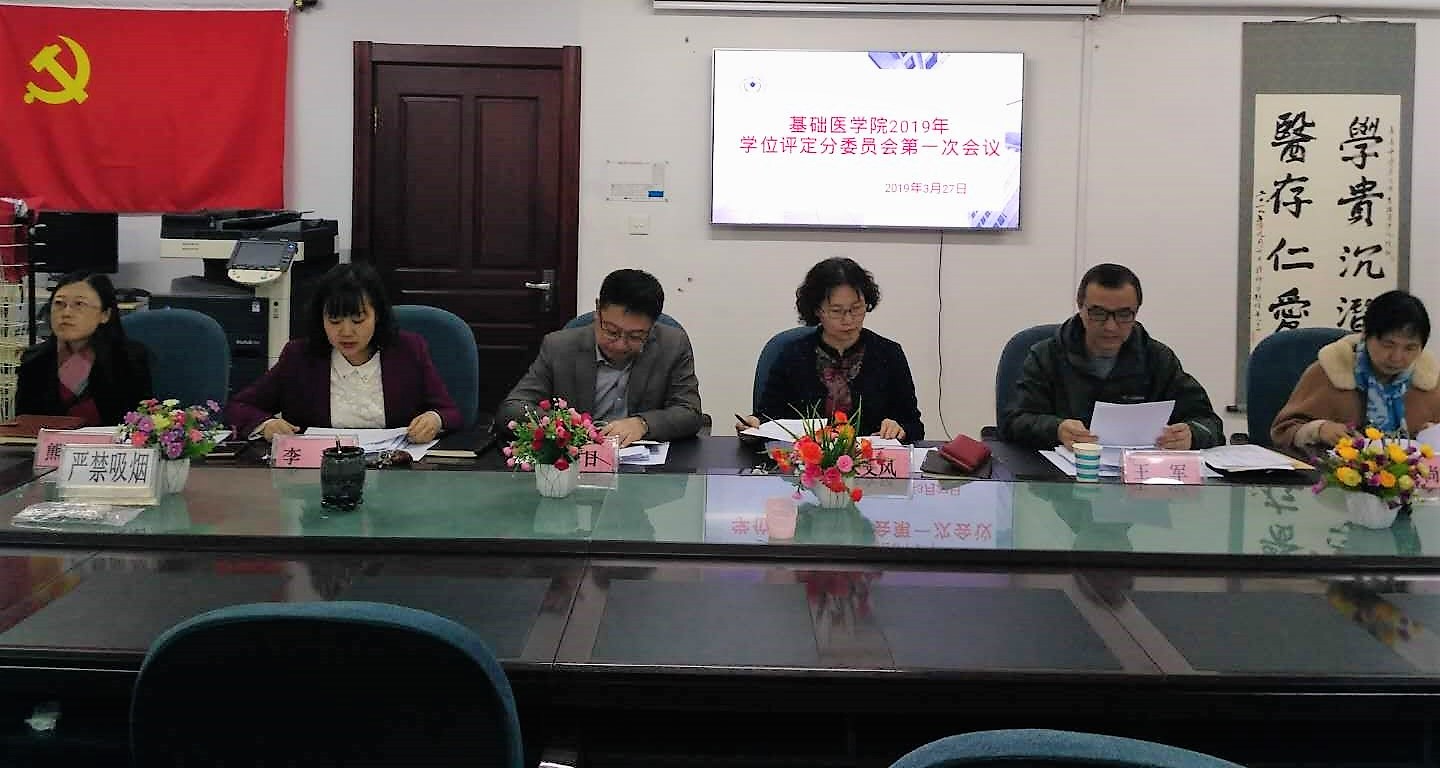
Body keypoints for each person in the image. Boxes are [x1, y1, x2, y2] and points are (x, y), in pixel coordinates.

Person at [999, 263, 1223, 451]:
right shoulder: (1046, 356)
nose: (1110, 326)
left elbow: (1210, 424)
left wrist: (1192, 435)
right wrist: (1055, 429)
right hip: (1060, 478)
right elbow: (1013, 422)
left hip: (1140, 480)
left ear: (1136, 311)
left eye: (1124, 315)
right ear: (1080, 308)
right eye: (1098, 314)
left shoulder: (1158, 359)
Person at [225, 263, 461, 442]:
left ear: (377, 316)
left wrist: (434, 419)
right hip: (317, 473)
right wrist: (266, 424)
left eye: (358, 320)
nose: (346, 332)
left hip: (393, 470)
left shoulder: (408, 351)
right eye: (335, 321)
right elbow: (240, 407)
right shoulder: (299, 357)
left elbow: (450, 411)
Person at [498, 268, 703, 447]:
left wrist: (643, 424)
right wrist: (564, 427)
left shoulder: (672, 345)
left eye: (635, 336)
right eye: (612, 331)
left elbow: (689, 412)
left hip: (644, 465)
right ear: (598, 310)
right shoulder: (559, 347)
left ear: (653, 325)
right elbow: (513, 408)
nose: (621, 344)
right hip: (576, 461)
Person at [737, 257, 923, 441]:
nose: (848, 319)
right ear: (817, 310)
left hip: (872, 457)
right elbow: (768, 417)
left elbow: (914, 425)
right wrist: (754, 424)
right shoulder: (792, 355)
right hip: (805, 457)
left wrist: (900, 429)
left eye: (856, 308)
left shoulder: (889, 354)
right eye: (836, 311)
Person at [1272, 290, 1440, 452]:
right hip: (1333, 470)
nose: (1397, 357)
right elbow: (1282, 432)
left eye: (1410, 348)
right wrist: (1319, 430)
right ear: (1366, 335)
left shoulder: (1429, 384)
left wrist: (1432, 434)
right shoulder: (1331, 371)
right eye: (1388, 345)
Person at [17, 271, 153, 426]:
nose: (66, 313)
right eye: (59, 304)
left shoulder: (128, 358)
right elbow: (24, 426)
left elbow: (139, 426)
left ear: (105, 314)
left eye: (79, 304)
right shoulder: (34, 360)